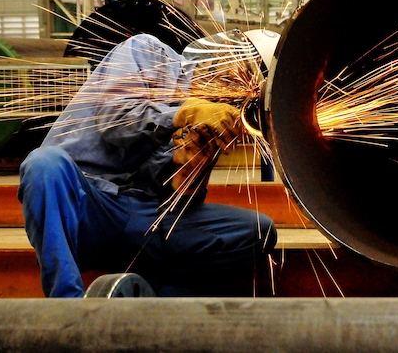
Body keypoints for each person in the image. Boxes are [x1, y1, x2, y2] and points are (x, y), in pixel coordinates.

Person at [17, 29, 280, 298]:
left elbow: (175, 208)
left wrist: (188, 176)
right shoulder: (147, 52)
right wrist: (182, 113)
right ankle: (66, 305)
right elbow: (114, 121)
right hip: (86, 208)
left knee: (258, 231)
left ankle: (153, 304)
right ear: (224, 58)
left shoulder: (214, 116)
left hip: (141, 221)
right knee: (43, 164)